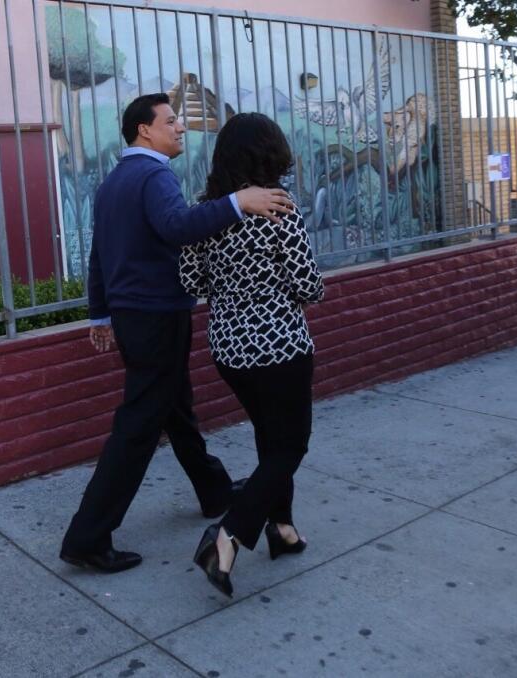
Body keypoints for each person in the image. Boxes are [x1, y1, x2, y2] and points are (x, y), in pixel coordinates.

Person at [59, 95, 296, 574]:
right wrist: (238, 201)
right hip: (155, 315)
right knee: (140, 423)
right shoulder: (153, 175)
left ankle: (212, 491)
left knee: (176, 409)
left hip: (132, 316)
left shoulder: (113, 181)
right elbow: (177, 227)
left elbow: (100, 256)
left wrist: (100, 315)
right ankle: (87, 535)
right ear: (144, 131)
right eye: (171, 121)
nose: (181, 128)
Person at [180, 113, 324, 597]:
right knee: (290, 445)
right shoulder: (279, 207)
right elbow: (307, 283)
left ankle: (281, 529)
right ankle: (227, 535)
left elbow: (191, 283)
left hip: (229, 349)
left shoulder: (208, 211)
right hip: (280, 345)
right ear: (271, 152)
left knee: (271, 439)